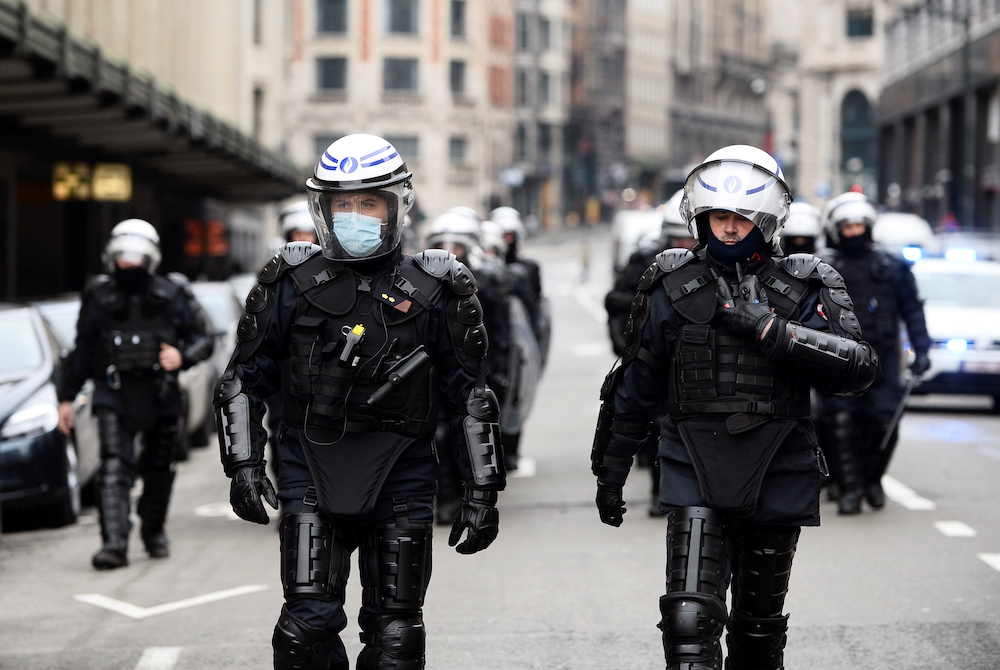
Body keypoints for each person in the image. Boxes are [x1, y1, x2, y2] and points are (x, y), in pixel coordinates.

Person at [213, 134, 505, 670]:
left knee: (396, 639)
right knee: (304, 632)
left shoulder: (439, 286)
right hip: (310, 469)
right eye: (341, 204)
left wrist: (482, 488)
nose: (354, 215)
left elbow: (472, 398)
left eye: (367, 203)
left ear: (396, 206)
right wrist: (244, 464)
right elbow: (241, 380)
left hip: (402, 473)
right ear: (321, 209)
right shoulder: (289, 282)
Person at [590, 145, 879, 669]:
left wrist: (775, 333)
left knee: (756, 632)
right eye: (719, 217)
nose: (728, 229)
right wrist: (610, 470)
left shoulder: (809, 279)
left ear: (765, 219)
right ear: (700, 217)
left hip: (779, 460)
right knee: (687, 620)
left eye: (741, 218)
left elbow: (858, 367)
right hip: (694, 457)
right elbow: (636, 380)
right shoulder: (670, 278)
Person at [56, 218, 213, 570]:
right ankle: (114, 543)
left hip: (161, 393)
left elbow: (203, 337)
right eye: (122, 254)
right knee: (113, 468)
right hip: (113, 392)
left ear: (150, 257)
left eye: (135, 255)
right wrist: (66, 398)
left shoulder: (173, 292)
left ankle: (153, 531)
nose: (129, 262)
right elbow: (82, 349)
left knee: (159, 469)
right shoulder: (98, 295)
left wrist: (181, 357)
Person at [819, 193, 931, 514]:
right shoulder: (824, 267)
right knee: (841, 423)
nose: (854, 232)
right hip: (839, 357)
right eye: (847, 226)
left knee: (885, 421)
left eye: (859, 225)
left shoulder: (892, 267)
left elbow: (912, 310)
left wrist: (921, 349)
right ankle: (850, 490)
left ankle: (872, 479)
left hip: (884, 358)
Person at [423, 209, 513, 519]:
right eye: (442, 245)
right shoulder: (420, 284)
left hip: (474, 371)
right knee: (437, 436)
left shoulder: (486, 281)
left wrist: (498, 373)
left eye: (456, 247)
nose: (449, 253)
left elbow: (501, 332)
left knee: (472, 432)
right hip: (434, 372)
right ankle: (447, 500)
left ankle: (474, 497)